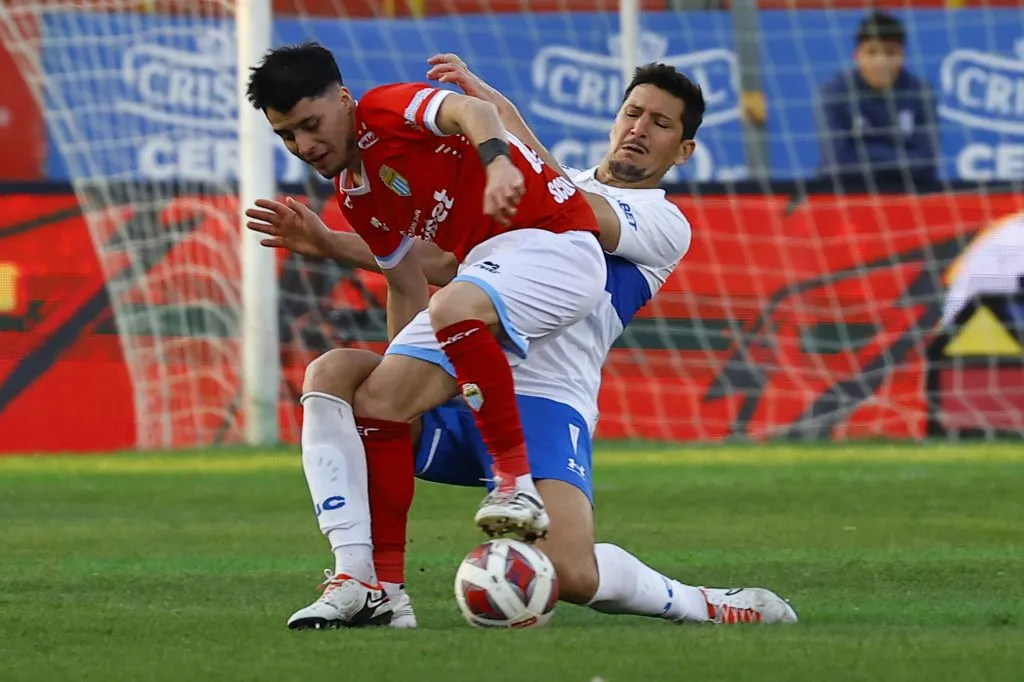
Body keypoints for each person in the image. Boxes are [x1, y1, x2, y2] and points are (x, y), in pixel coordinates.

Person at [247, 56, 799, 629]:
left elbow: (565, 204)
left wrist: (496, 127)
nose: (639, 128)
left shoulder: (662, 222)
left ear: (683, 151)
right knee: (343, 379)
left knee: (571, 572)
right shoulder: (526, 186)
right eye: (632, 113)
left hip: (546, 398)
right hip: (466, 371)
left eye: (660, 123)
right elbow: (439, 261)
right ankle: (365, 581)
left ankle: (707, 605)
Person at [246, 42, 607, 551]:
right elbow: (410, 280)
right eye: (286, 135)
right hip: (489, 270)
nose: (303, 145)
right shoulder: (355, 195)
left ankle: (513, 485)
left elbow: (474, 110)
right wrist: (403, 381)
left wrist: (499, 164)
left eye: (310, 124)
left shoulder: (384, 109)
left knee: (453, 305)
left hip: (557, 242)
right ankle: (380, 591)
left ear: (344, 99)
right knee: (377, 401)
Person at [815, 11, 939, 189]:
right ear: (857, 55)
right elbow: (836, 164)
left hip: (906, 196)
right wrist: (901, 159)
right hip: (845, 196)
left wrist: (864, 152)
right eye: (872, 52)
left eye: (890, 52)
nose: (881, 61)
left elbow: (927, 165)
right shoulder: (833, 93)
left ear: (903, 56)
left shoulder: (920, 93)